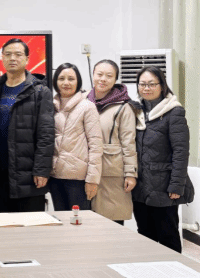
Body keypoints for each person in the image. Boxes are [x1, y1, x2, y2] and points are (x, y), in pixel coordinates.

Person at [132, 66, 195, 253]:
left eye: (152, 84)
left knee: (168, 235)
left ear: (162, 86)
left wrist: (176, 186)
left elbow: (181, 152)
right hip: (140, 187)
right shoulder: (136, 111)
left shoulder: (174, 112)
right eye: (142, 84)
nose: (147, 88)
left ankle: (174, 268)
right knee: (145, 234)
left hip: (164, 187)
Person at [0, 38, 55, 213]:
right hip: (4, 170)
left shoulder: (40, 91)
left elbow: (46, 134)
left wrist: (41, 170)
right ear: (2, 58)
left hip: (30, 174)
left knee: (31, 225)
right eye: (8, 54)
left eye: (18, 54)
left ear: (27, 59)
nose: (12, 58)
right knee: (6, 223)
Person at [88, 59, 137, 225]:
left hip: (112, 173)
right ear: (93, 75)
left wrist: (131, 173)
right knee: (86, 224)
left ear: (115, 79)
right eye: (99, 74)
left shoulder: (124, 106)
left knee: (112, 223)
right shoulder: (83, 101)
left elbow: (129, 143)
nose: (103, 79)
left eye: (109, 76)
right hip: (86, 170)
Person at [49, 63, 103, 211]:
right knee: (61, 219)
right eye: (61, 78)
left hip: (78, 179)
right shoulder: (50, 106)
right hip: (54, 176)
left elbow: (96, 146)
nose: (66, 83)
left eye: (71, 79)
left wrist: (92, 179)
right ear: (55, 81)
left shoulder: (87, 107)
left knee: (79, 221)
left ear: (78, 82)